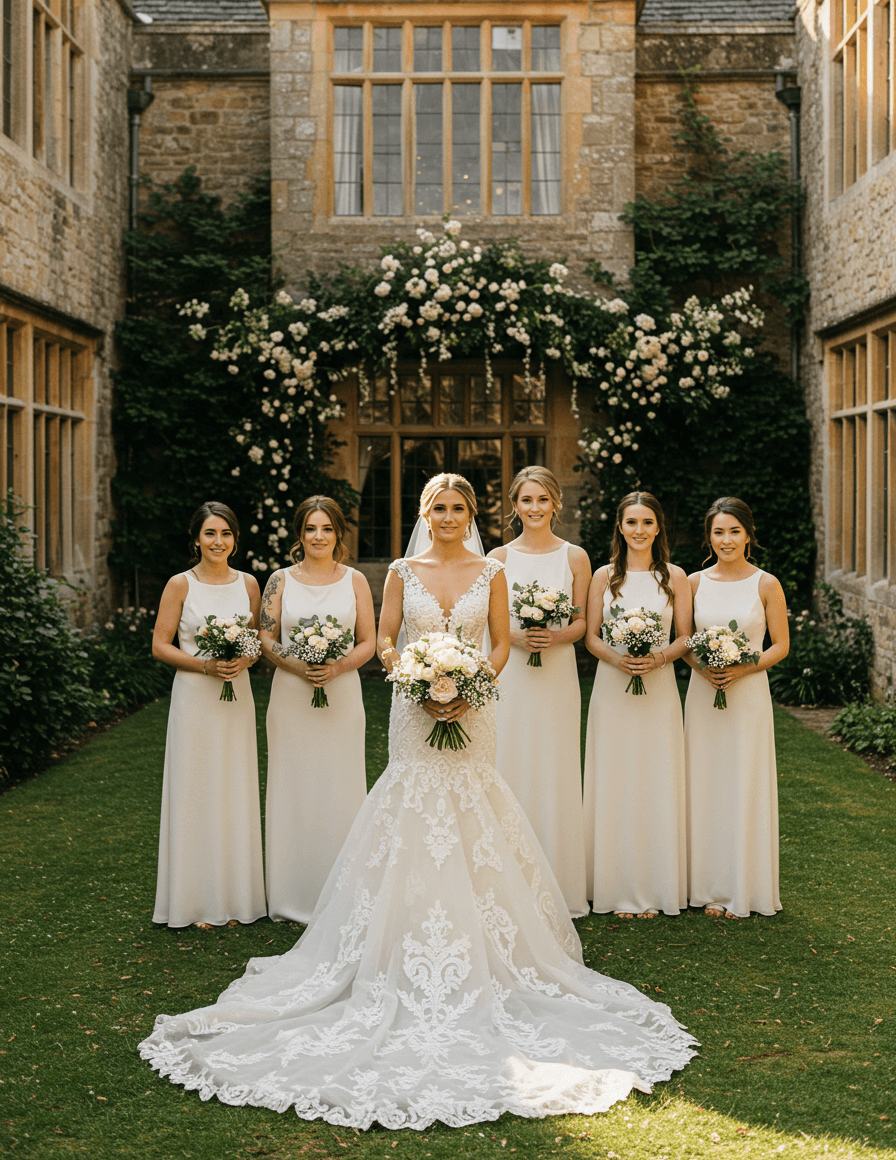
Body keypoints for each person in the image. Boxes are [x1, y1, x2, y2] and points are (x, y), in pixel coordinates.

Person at [138, 474, 696, 1128]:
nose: (450, 517)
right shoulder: (401, 570)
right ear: (425, 514)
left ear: (471, 514)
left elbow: (499, 645)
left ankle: (489, 953)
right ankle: (390, 950)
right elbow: (392, 639)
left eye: (459, 508)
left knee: (472, 813)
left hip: (475, 711)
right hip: (412, 710)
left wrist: (466, 686)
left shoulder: (493, 571)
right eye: (439, 508)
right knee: (410, 814)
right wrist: (420, 681)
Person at [259, 496, 375, 923]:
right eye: (311, 529)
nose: (319, 537)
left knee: (340, 784)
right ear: (300, 535)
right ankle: (292, 893)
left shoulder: (356, 580)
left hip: (342, 695)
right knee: (295, 785)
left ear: (338, 534)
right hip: (291, 695)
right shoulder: (279, 581)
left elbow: (369, 640)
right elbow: (266, 637)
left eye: (327, 529)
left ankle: (343, 892)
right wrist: (298, 665)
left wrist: (337, 666)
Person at [150, 501, 266, 930]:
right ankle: (195, 902)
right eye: (210, 534)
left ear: (235, 540)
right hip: (195, 696)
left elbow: (255, 641)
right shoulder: (180, 584)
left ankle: (237, 899)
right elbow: (161, 644)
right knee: (196, 788)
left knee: (233, 787)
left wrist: (245, 661)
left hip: (236, 697)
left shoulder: (250, 584)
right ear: (196, 539)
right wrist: (204, 665)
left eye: (226, 534)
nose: (218, 542)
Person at [583, 492, 691, 919]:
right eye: (631, 522)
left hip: (659, 691)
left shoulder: (676, 577)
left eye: (647, 522)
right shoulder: (603, 577)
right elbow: (591, 636)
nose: (639, 530)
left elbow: (685, 636)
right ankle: (614, 888)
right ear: (620, 528)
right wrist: (620, 659)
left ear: (658, 527)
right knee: (616, 780)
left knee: (655, 779)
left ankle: (655, 887)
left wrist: (658, 658)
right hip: (613, 689)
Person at [490, 465, 591, 917]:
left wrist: (555, 636)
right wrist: (516, 636)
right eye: (526, 500)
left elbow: (584, 622)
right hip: (513, 675)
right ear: (514, 506)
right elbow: (489, 624)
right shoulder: (498, 558)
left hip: (556, 676)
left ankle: (558, 878)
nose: (535, 508)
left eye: (542, 500)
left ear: (556, 504)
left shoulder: (575, 557)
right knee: (510, 759)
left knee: (555, 765)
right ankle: (505, 878)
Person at [684, 496, 789, 919]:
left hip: (748, 696)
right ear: (709, 537)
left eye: (734, 531)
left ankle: (742, 887)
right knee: (704, 781)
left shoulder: (766, 583)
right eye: (718, 532)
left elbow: (780, 645)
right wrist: (703, 666)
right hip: (703, 693)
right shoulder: (693, 582)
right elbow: (686, 642)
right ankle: (703, 885)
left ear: (748, 535)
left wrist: (745, 668)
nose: (726, 540)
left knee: (744, 781)